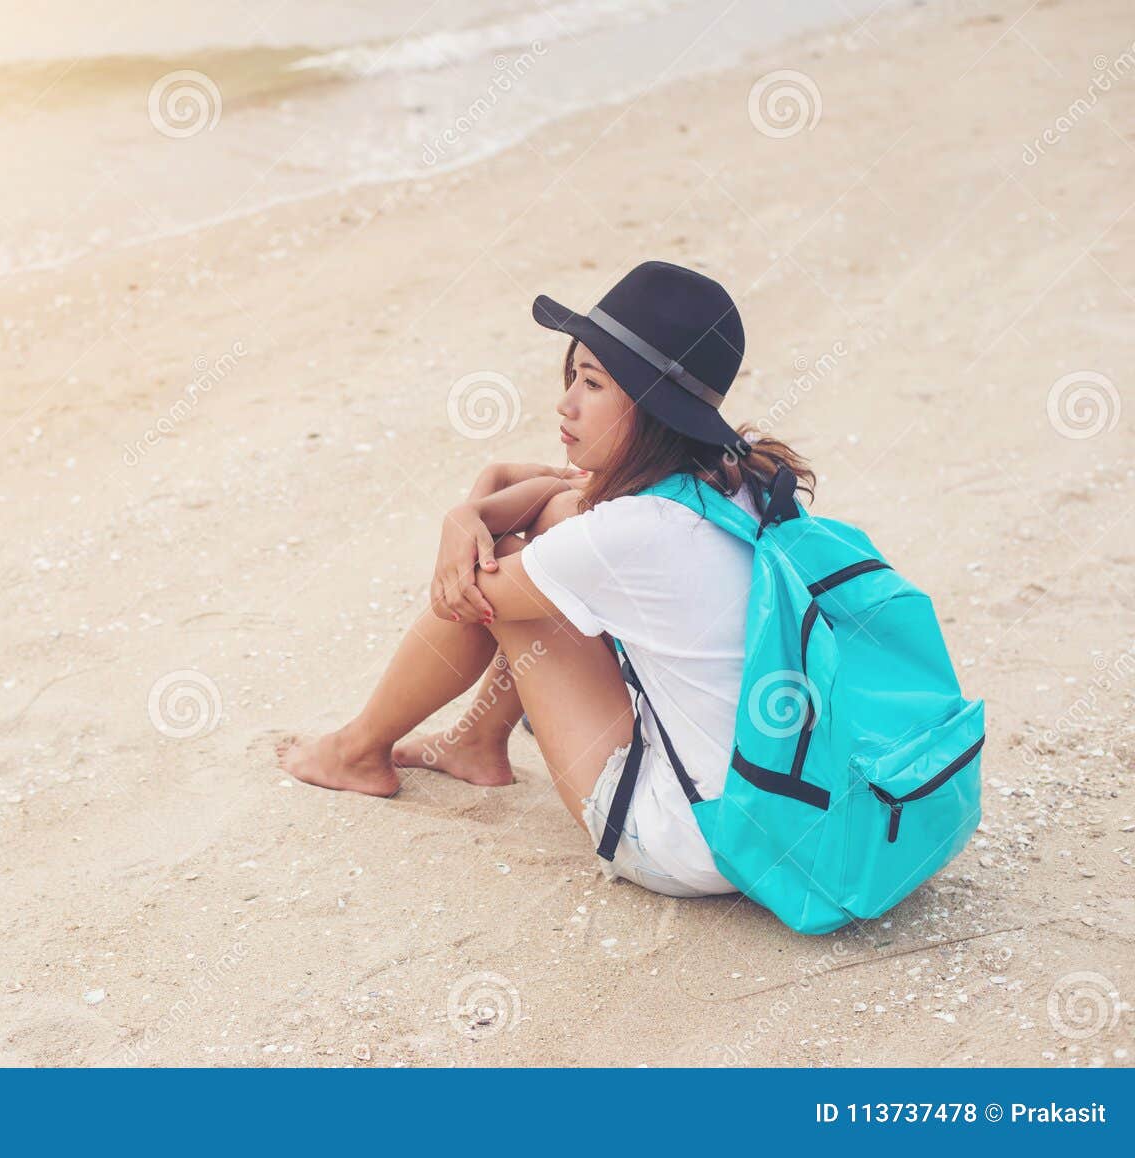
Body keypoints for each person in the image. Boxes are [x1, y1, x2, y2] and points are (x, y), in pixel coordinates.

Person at [277, 260, 816, 898]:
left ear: (653, 407)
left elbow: (467, 591)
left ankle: (357, 751)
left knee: (506, 575)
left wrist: (473, 514)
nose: (565, 403)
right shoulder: (738, 477)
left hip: (689, 843)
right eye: (571, 376)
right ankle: (476, 741)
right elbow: (569, 500)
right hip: (781, 810)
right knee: (545, 549)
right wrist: (474, 505)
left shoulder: (631, 532)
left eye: (592, 383)